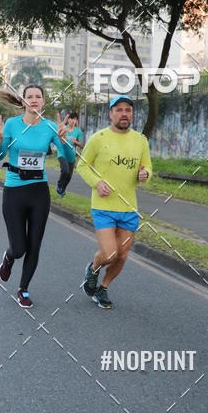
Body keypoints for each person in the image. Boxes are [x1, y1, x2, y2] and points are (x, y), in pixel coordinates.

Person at [0, 84, 75, 308]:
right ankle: (8, 258)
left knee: (34, 244)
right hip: (14, 190)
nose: (34, 100)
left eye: (38, 96)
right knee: (19, 248)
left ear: (43, 102)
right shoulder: (12, 125)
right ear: (23, 101)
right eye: (30, 96)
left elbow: (70, 157)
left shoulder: (50, 127)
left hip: (38, 191)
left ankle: (23, 289)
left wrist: (64, 141)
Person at [78, 95, 152, 309]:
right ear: (111, 114)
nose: (124, 114)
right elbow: (82, 165)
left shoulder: (140, 140)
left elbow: (147, 168)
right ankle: (92, 268)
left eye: (128, 110)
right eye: (119, 110)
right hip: (103, 207)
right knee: (110, 253)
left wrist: (145, 174)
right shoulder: (98, 138)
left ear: (132, 114)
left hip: (129, 208)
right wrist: (96, 182)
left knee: (121, 256)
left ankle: (103, 288)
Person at [56, 111, 84, 197]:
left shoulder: (78, 131)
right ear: (68, 119)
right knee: (65, 170)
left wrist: (75, 141)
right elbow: (57, 137)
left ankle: (62, 189)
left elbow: (81, 145)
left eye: (75, 119)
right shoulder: (63, 128)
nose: (72, 121)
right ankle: (59, 186)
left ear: (76, 121)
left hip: (71, 156)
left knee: (69, 176)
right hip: (62, 153)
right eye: (71, 118)